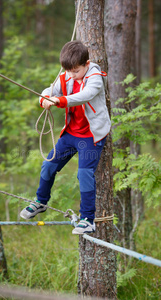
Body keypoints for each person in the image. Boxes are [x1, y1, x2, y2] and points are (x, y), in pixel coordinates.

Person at [20, 40, 111, 234]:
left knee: (84, 174)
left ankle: (88, 219)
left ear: (86, 64)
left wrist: (59, 100)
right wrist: (44, 98)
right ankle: (41, 202)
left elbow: (85, 95)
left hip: (90, 136)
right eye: (68, 71)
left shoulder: (94, 76)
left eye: (75, 71)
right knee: (48, 164)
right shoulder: (67, 75)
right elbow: (50, 90)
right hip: (71, 133)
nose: (71, 75)